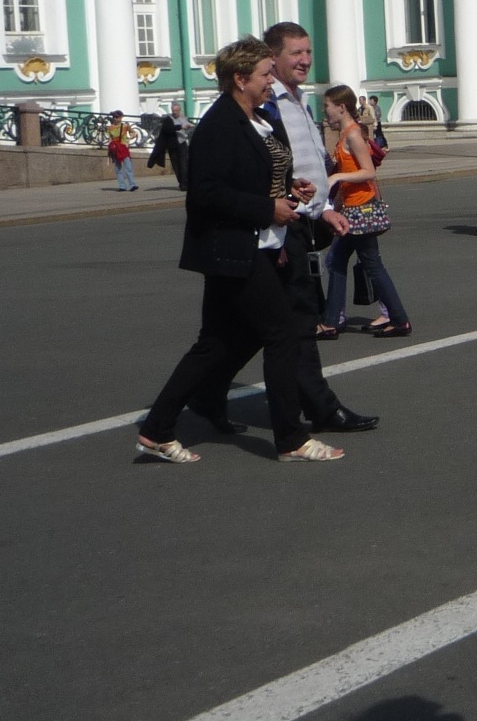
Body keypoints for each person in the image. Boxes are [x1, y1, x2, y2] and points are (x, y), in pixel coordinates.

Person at [135, 40, 342, 463]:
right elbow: (206, 193)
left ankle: (156, 429)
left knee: (216, 343)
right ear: (240, 79)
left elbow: (253, 176)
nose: (271, 82)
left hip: (257, 245)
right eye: (265, 74)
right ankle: (291, 439)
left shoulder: (257, 118)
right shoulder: (219, 124)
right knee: (282, 333)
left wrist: (289, 189)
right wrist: (268, 209)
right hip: (232, 249)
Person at [245, 23, 378, 434]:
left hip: (303, 219)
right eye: (295, 53)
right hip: (281, 225)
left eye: (308, 52)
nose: (305, 60)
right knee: (298, 321)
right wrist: (286, 218)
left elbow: (308, 165)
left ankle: (199, 399)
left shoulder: (299, 99)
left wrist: (324, 210)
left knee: (236, 332)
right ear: (273, 57)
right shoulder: (268, 105)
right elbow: (268, 171)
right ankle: (319, 411)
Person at [318, 85, 412, 338]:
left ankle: (398, 319)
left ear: (341, 107)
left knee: (368, 264)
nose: (325, 111)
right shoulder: (345, 134)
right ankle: (333, 320)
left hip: (362, 208)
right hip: (353, 207)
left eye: (327, 106)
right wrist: (339, 200)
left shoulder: (352, 135)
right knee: (338, 260)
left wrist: (337, 177)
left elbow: (368, 171)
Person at [147, 102, 190, 189]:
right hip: (172, 146)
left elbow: (189, 127)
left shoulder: (184, 118)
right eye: (173, 110)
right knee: (176, 165)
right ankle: (182, 183)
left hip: (182, 143)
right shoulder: (168, 119)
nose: (175, 112)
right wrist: (180, 127)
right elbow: (168, 129)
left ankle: (185, 183)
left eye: (176, 110)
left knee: (184, 164)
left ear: (179, 110)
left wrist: (189, 126)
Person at [104, 110, 138, 191]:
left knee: (128, 167)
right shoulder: (110, 128)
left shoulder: (125, 126)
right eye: (114, 117)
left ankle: (132, 185)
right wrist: (109, 151)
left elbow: (134, 133)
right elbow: (110, 139)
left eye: (116, 117)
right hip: (115, 149)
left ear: (121, 117)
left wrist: (129, 139)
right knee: (118, 168)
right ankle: (122, 186)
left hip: (123, 148)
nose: (115, 118)